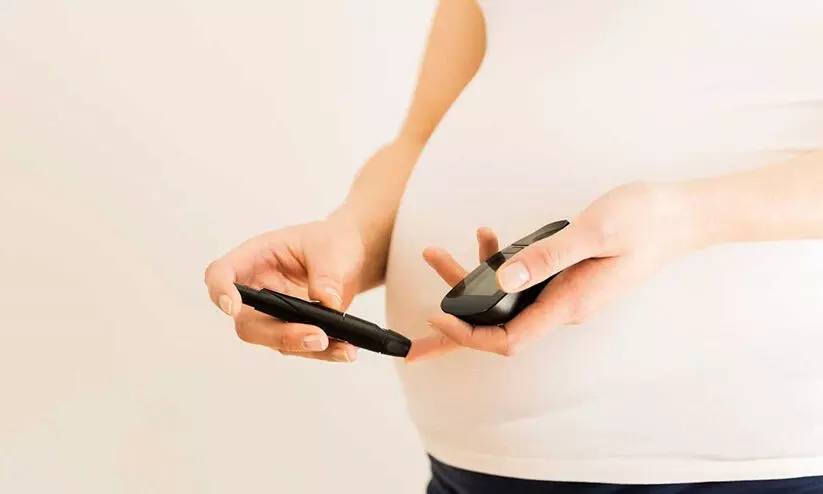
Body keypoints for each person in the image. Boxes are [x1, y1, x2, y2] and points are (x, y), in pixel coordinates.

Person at [204, 0, 823, 492]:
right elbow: (422, 136)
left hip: (741, 457)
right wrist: (349, 237)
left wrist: (684, 218)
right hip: (476, 464)